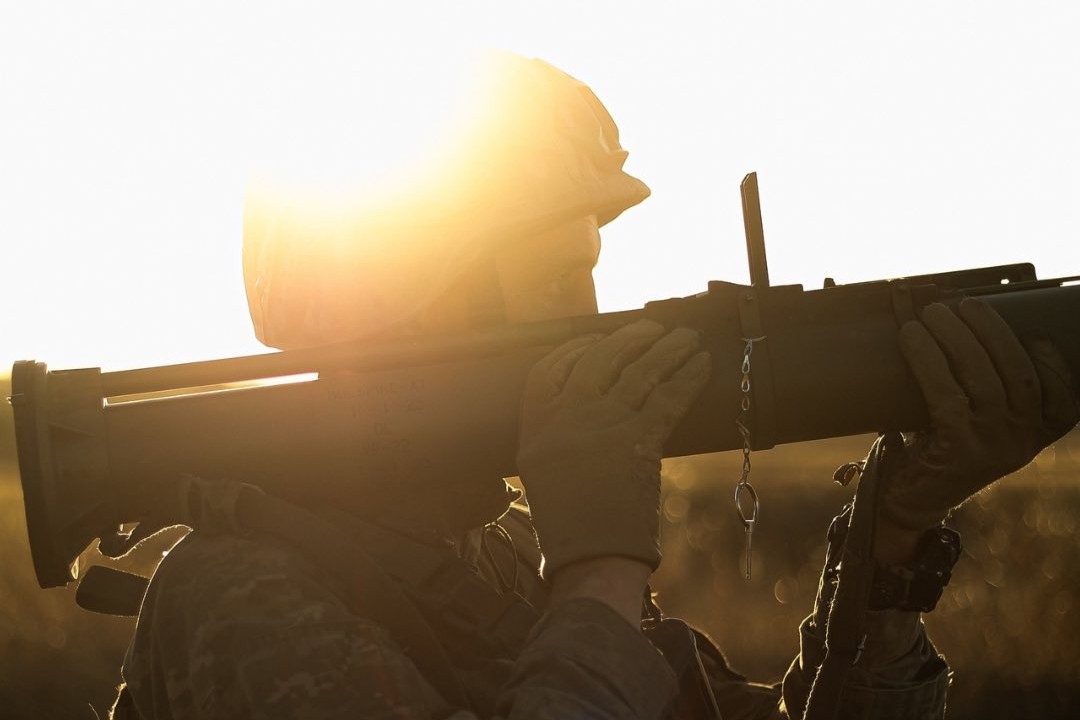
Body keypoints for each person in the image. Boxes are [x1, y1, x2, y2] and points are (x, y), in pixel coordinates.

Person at [112, 54, 1078, 719]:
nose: (594, 317)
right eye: (556, 277)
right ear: (406, 300)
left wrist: (896, 534)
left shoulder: (498, 555)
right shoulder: (240, 598)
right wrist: (599, 572)